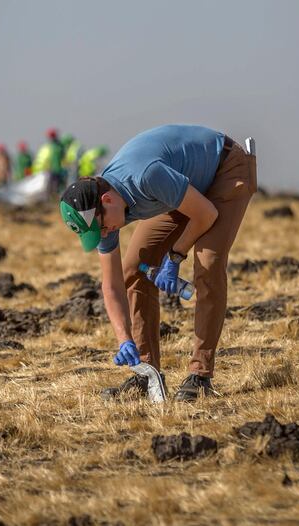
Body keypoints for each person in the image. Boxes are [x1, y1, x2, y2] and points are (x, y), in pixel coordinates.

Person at [59, 124, 256, 402]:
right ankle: (146, 372)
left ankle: (200, 375)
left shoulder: (145, 177)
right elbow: (112, 285)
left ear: (108, 200)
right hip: (181, 189)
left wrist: (174, 257)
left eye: (101, 228)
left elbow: (206, 214)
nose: (104, 235)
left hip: (226, 169)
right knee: (133, 270)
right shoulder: (106, 212)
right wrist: (123, 339)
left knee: (207, 264)